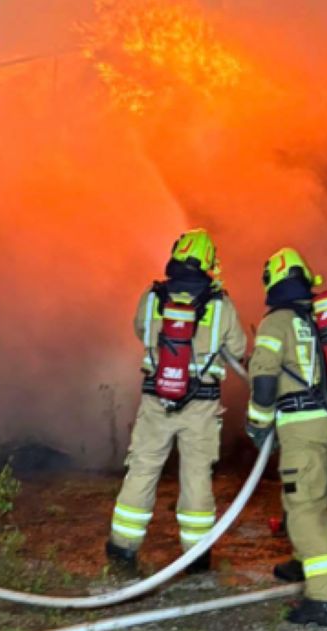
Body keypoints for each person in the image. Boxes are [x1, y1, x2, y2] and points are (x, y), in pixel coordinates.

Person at [105, 229, 248, 575]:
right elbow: (240, 350)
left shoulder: (152, 298)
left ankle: (123, 548)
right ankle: (196, 556)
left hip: (156, 401)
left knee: (142, 469)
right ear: (208, 261)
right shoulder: (220, 304)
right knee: (197, 476)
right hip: (201, 405)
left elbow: (141, 331)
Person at [246, 247, 327, 627]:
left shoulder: (277, 323)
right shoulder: (322, 320)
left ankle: (326, 599)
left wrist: (257, 423)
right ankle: (302, 561)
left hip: (301, 427)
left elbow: (264, 379)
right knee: (313, 497)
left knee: (304, 508)